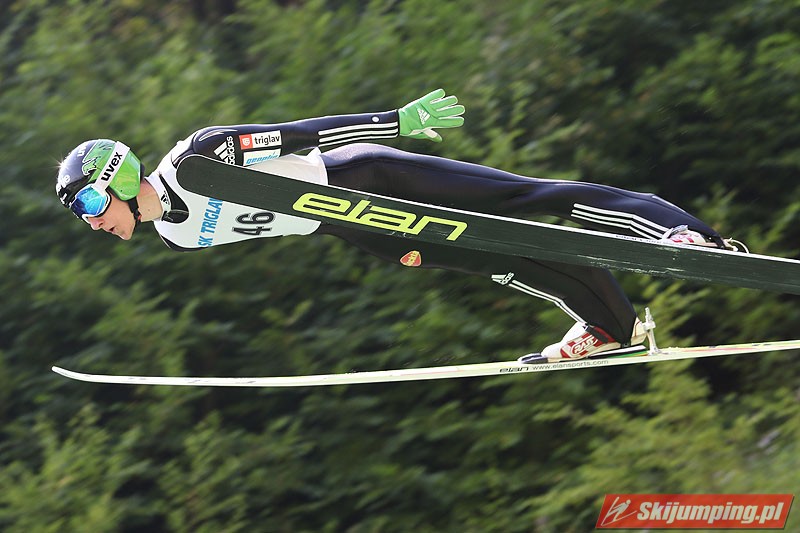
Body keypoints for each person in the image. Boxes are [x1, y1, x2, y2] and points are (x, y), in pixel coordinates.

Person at [55, 89, 734, 362]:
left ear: (117, 177)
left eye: (89, 205)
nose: (93, 223)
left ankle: (681, 235)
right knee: (509, 256)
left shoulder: (201, 157)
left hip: (369, 179)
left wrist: (395, 123)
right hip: (362, 229)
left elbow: (300, 134)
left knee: (527, 200)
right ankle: (613, 326)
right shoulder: (175, 235)